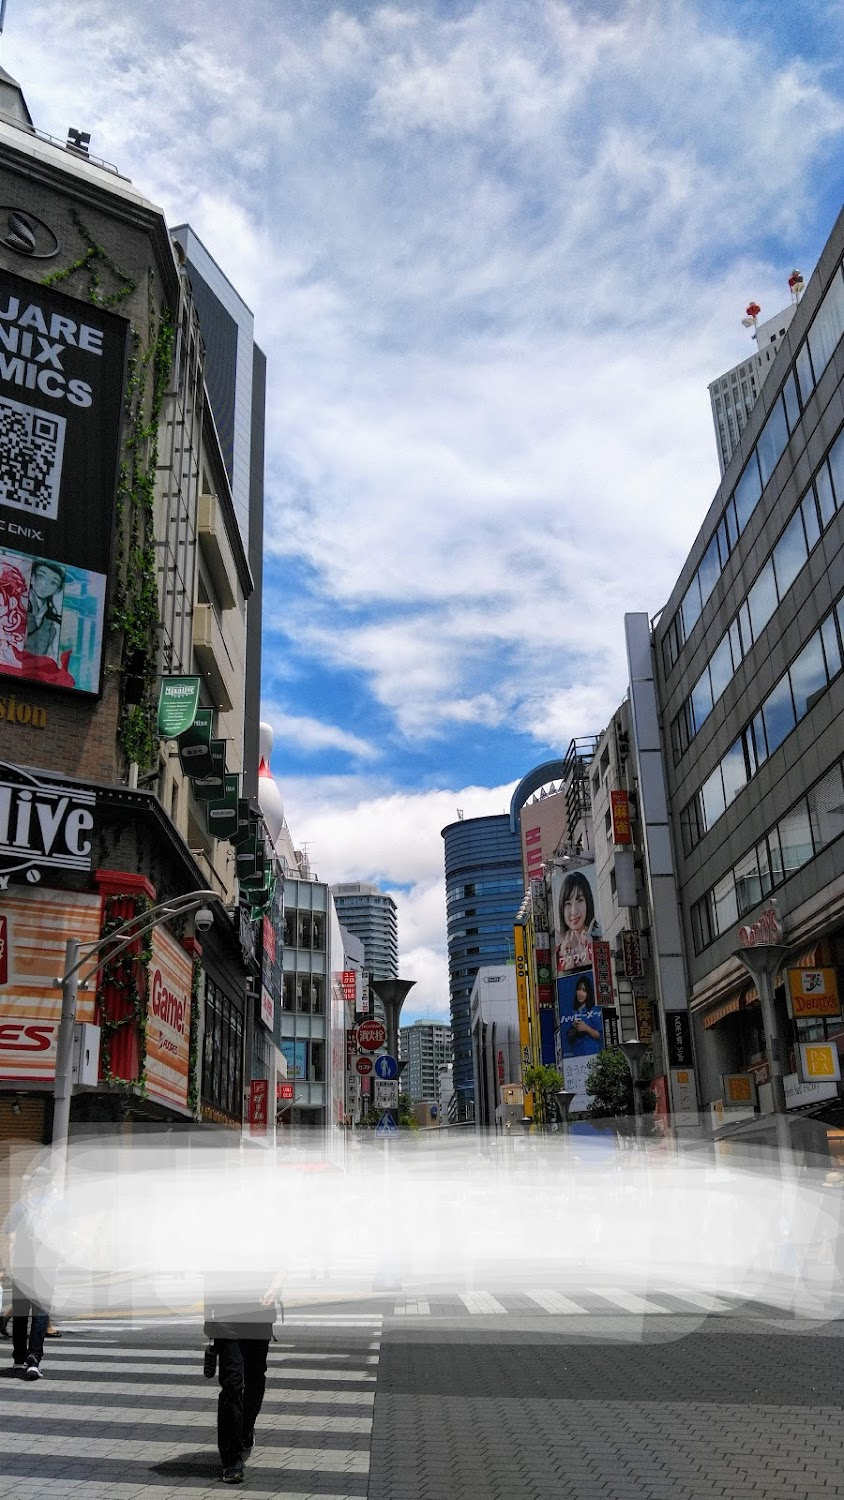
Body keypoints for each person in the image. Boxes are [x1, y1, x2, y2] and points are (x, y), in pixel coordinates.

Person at [204, 1269, 284, 1484]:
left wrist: (273, 1290)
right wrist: (207, 1316)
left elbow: (281, 1264)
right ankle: (231, 1459)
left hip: (259, 1314)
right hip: (225, 1317)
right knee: (232, 1383)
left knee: (255, 1377)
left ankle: (246, 1428)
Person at [0, 1166, 59, 1381]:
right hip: (46, 1269)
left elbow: (10, 1240)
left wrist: (5, 1267)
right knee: (41, 1314)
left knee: (21, 1314)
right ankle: (34, 1358)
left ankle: (18, 1358)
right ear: (50, 1183)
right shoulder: (58, 1206)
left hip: (22, 1268)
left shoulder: (20, 1206)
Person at [556, 870, 600, 974]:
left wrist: (590, 952)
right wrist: (569, 964)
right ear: (562, 908)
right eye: (568, 903)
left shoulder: (600, 940)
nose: (574, 911)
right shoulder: (557, 951)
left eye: (580, 900)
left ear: (588, 902)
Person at [25, 560, 64, 661]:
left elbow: (49, 656)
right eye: (41, 576)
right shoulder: (16, 604)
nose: (45, 584)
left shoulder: (50, 625)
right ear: (32, 578)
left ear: (57, 590)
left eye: (53, 582)